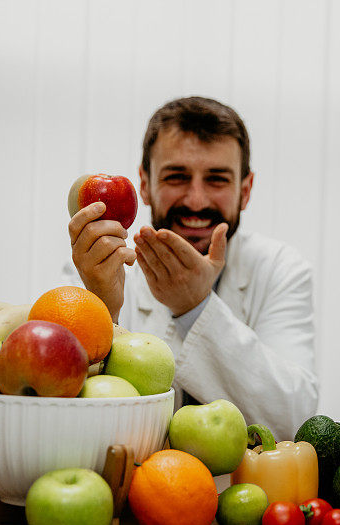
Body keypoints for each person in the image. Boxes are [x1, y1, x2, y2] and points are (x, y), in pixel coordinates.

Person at [67, 96, 317, 439]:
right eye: (176, 177)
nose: (196, 200)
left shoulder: (280, 268)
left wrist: (195, 308)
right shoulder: (94, 262)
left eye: (217, 179)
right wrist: (104, 307)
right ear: (145, 185)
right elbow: (68, 411)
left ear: (245, 191)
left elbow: (295, 418)